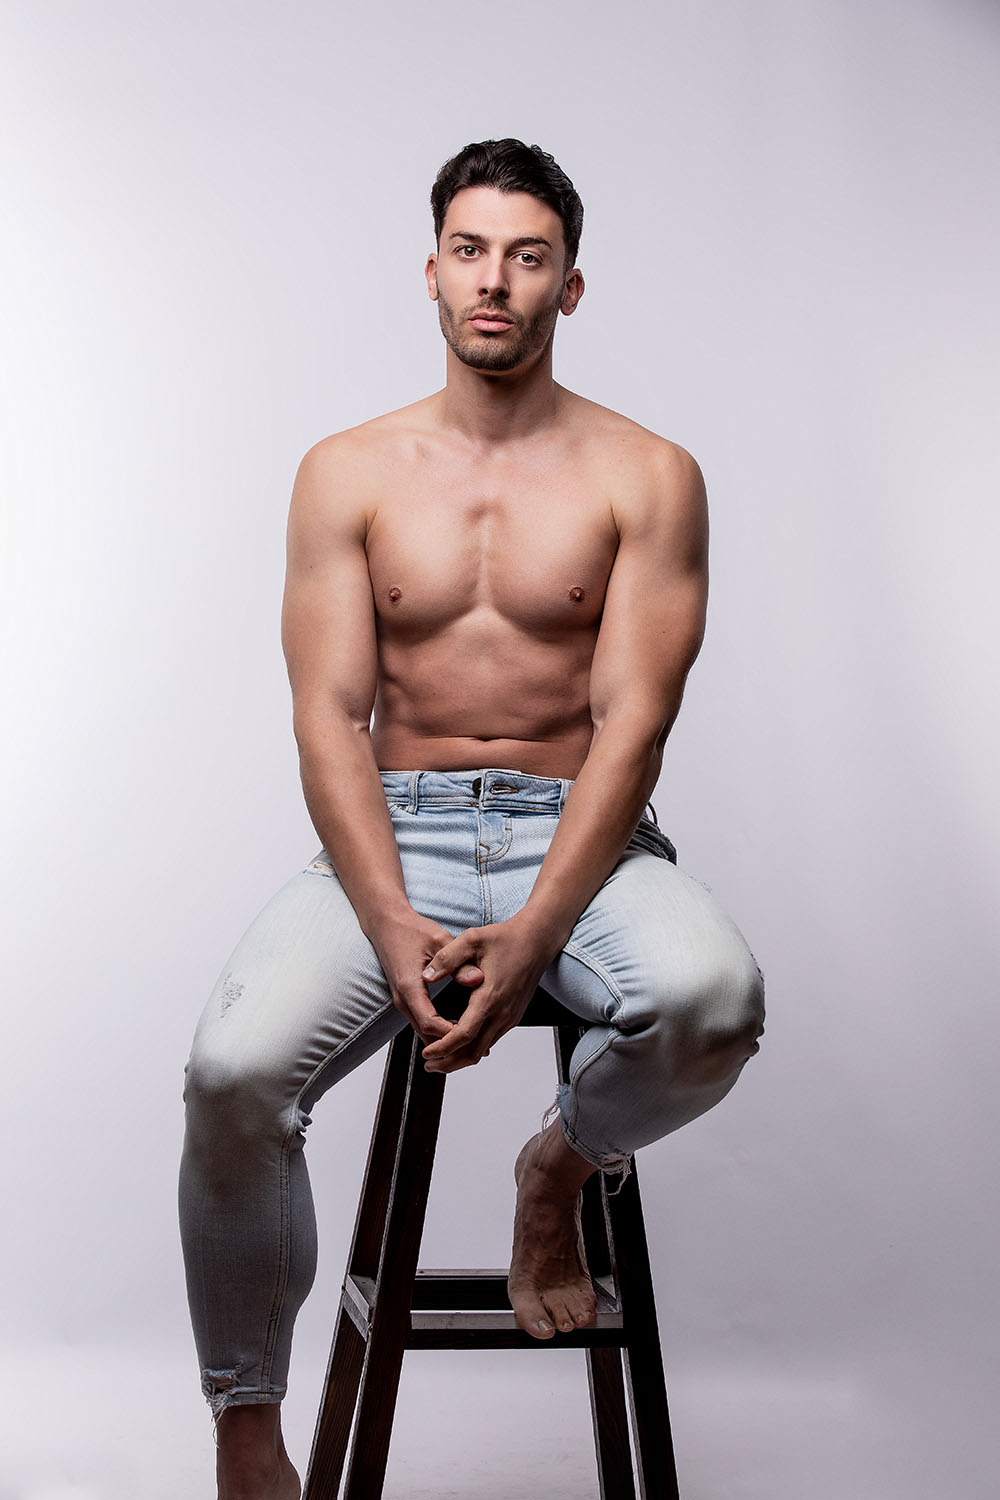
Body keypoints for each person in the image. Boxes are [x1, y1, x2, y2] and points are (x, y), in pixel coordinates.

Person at [179, 137, 765, 1500]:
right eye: (470, 250)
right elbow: (328, 716)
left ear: (570, 286)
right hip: (395, 831)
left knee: (713, 1005)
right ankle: (248, 1428)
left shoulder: (648, 473)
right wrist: (391, 921)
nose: (494, 280)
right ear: (432, 271)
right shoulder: (347, 471)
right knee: (230, 1078)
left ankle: (558, 1164)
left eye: (527, 256)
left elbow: (634, 725)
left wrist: (539, 929)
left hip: (584, 833)